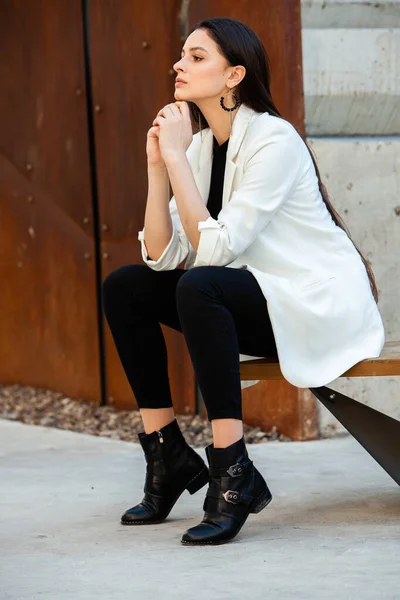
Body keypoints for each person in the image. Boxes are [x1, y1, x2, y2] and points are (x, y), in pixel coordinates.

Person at [102, 17, 385, 546]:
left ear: (234, 75)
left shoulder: (273, 140)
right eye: (181, 55)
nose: (178, 65)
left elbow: (214, 252)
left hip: (312, 306)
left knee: (200, 285)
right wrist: (160, 167)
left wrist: (175, 159)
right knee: (125, 286)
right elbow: (164, 257)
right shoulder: (201, 148)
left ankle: (233, 472)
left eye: (196, 56)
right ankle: (167, 455)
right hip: (259, 300)